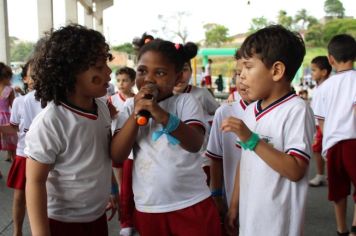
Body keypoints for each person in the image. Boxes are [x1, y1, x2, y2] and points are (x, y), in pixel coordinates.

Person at [111, 37, 222, 236]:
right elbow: (118, 155)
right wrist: (136, 114)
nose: (149, 79)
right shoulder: (130, 107)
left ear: (178, 78)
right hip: (149, 207)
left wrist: (160, 114)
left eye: (160, 73)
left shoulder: (186, 102)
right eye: (142, 71)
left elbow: (195, 142)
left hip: (191, 203)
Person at [24, 24, 117, 236]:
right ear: (72, 73)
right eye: (100, 66)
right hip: (62, 222)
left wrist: (111, 190)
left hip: (96, 216)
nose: (109, 72)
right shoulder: (51, 122)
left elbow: (102, 156)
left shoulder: (101, 107)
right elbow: (35, 182)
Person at [224, 25, 314, 236]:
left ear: (276, 71)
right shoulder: (252, 110)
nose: (241, 76)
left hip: (279, 224)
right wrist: (235, 204)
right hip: (250, 218)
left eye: (248, 67)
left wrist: (251, 139)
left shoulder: (296, 110)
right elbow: (243, 161)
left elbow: (296, 170)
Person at [206, 49, 253, 234]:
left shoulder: (277, 113)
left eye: (248, 71)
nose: (241, 79)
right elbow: (216, 158)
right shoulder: (225, 112)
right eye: (237, 73)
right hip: (231, 202)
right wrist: (217, 195)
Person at [313, 34, 356, 236]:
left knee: (338, 191)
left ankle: (341, 229)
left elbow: (321, 123)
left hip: (333, 144)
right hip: (354, 141)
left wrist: (327, 141)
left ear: (330, 59)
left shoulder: (323, 88)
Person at [173, 44, 220, 185]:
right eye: (175, 70)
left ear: (191, 71)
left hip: (200, 160)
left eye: (185, 69)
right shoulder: (162, 98)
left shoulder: (202, 94)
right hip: (173, 164)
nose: (180, 75)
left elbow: (218, 114)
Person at [0, 60, 33, 236]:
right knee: (20, 196)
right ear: (25, 78)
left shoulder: (56, 101)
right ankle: (17, 231)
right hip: (24, 153)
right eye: (34, 73)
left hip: (50, 156)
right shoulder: (21, 102)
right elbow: (14, 127)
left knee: (50, 197)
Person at [109, 66, 136, 236]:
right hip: (118, 147)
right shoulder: (110, 100)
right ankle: (125, 221)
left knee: (134, 186)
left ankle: (134, 218)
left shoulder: (138, 100)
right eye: (118, 80)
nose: (121, 83)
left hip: (135, 148)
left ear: (133, 82)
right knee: (122, 187)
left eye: (125, 80)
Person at [308, 56, 331, 187]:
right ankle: (321, 174)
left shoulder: (328, 87)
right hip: (318, 125)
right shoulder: (317, 87)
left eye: (314, 70)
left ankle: (329, 174)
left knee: (328, 150)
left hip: (325, 124)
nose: (312, 73)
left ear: (324, 72)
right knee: (317, 150)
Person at [0, 62, 17, 163]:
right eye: (9, 77)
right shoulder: (9, 90)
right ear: (5, 77)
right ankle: (15, 165)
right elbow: (14, 107)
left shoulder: (9, 89)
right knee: (13, 146)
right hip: (6, 120)